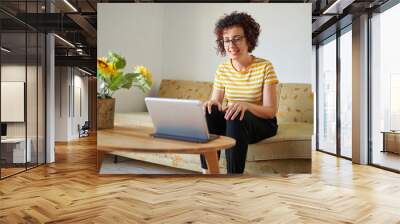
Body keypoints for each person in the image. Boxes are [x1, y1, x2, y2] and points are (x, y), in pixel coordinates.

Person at [200, 11, 279, 174]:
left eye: (237, 39)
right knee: (210, 112)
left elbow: (270, 111)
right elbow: (216, 101)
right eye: (227, 40)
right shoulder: (222, 69)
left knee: (236, 114)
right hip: (233, 122)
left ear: (248, 39)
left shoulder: (265, 67)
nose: (231, 45)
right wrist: (211, 103)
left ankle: (234, 177)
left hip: (261, 123)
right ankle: (208, 173)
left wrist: (245, 105)